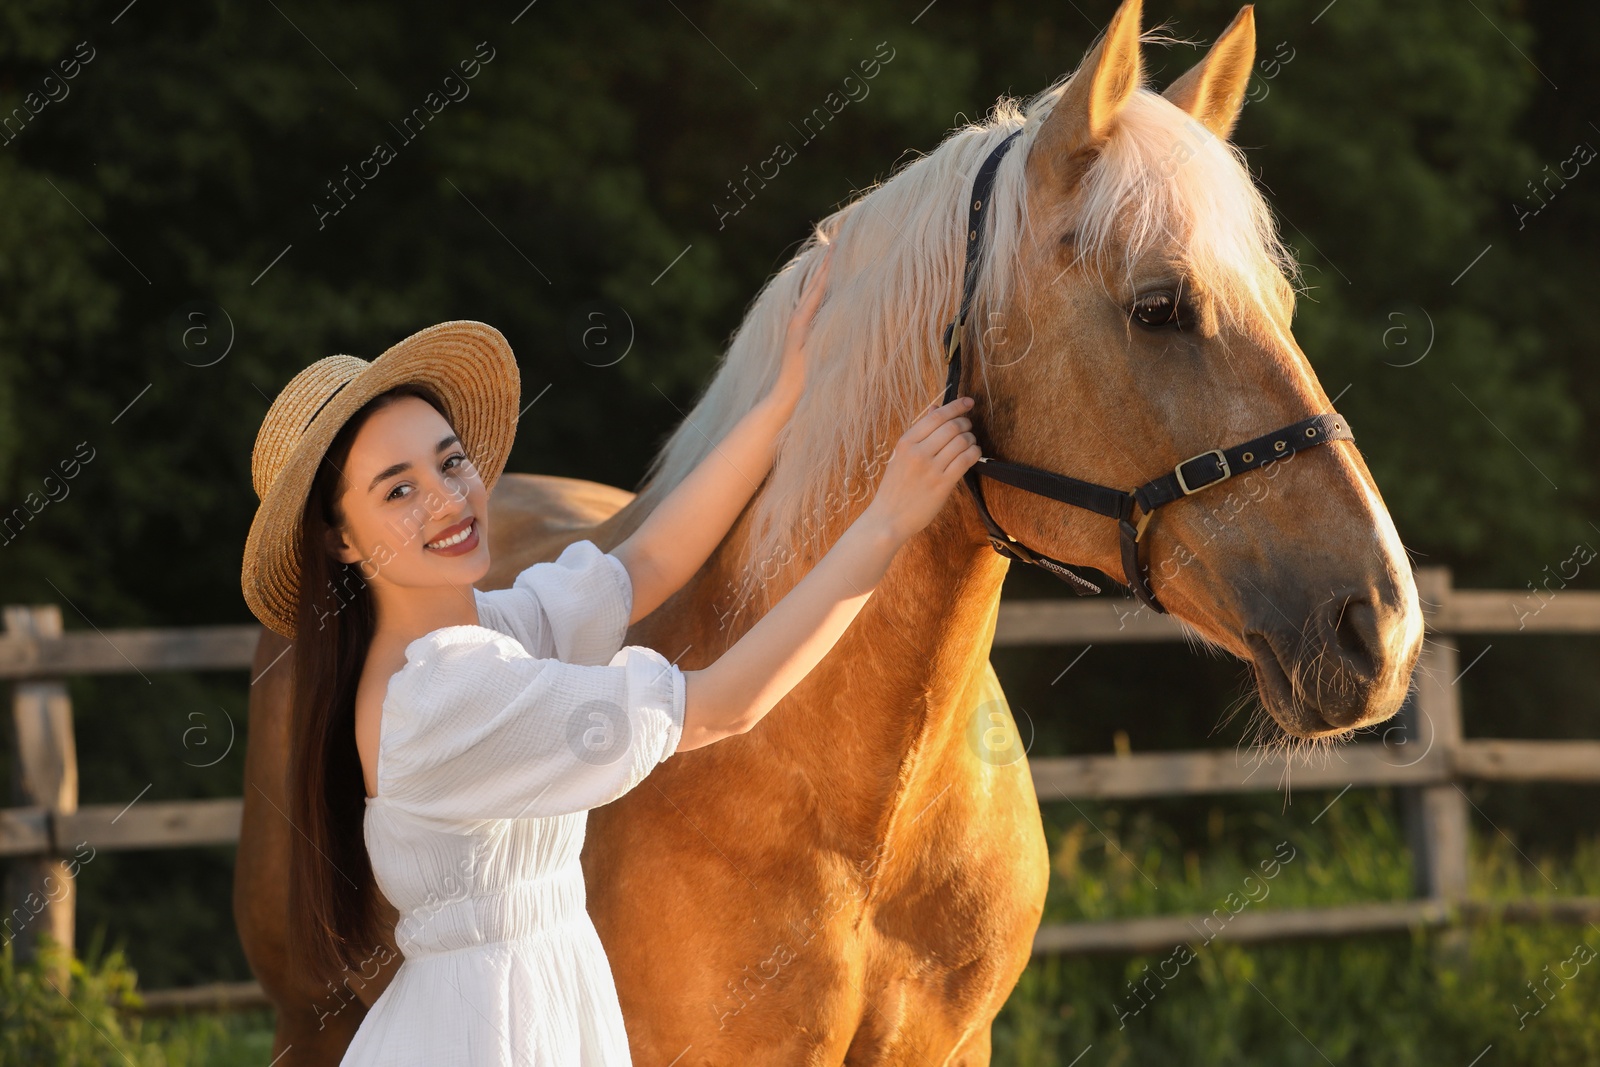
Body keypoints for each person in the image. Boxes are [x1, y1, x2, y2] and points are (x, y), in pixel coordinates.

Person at [239, 244, 981, 1065]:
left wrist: (782, 401)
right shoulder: (442, 698)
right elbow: (724, 703)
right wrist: (884, 523)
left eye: (451, 461)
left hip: (539, 1001)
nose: (449, 498)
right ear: (341, 539)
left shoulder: (493, 632)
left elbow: (648, 562)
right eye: (399, 489)